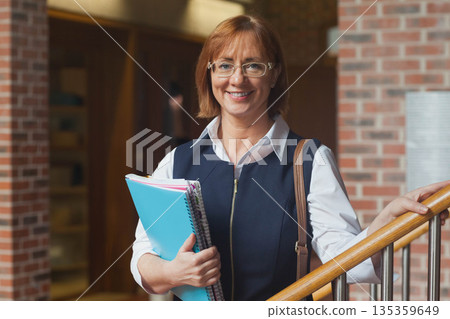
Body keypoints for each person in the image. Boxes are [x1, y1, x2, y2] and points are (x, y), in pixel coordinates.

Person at [130, 15, 450, 301]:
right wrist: (172, 274)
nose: (237, 79)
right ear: (209, 73)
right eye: (225, 64)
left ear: (274, 74)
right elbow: (144, 254)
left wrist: (386, 221)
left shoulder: (310, 161)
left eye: (253, 65)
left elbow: (346, 261)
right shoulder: (177, 162)